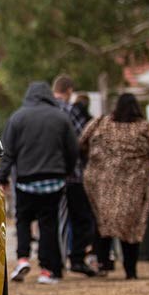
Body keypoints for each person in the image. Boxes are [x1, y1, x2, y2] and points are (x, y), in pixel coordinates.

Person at [0, 81, 79, 284]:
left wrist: (3, 176)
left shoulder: (18, 117)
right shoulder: (61, 118)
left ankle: (23, 258)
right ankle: (46, 269)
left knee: (23, 220)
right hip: (53, 180)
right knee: (48, 224)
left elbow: (8, 150)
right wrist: (67, 171)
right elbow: (72, 149)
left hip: (26, 179)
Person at [80, 93, 149, 280]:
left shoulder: (102, 123)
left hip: (102, 183)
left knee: (104, 222)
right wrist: (148, 165)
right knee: (130, 227)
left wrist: (94, 161)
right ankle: (130, 270)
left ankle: (102, 263)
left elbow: (82, 141)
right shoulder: (143, 127)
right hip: (133, 184)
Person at [52, 75, 97, 277]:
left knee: (56, 220)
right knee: (81, 219)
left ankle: (56, 262)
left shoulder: (46, 111)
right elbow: (81, 140)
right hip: (74, 174)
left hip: (51, 172)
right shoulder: (71, 111)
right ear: (69, 91)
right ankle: (76, 258)